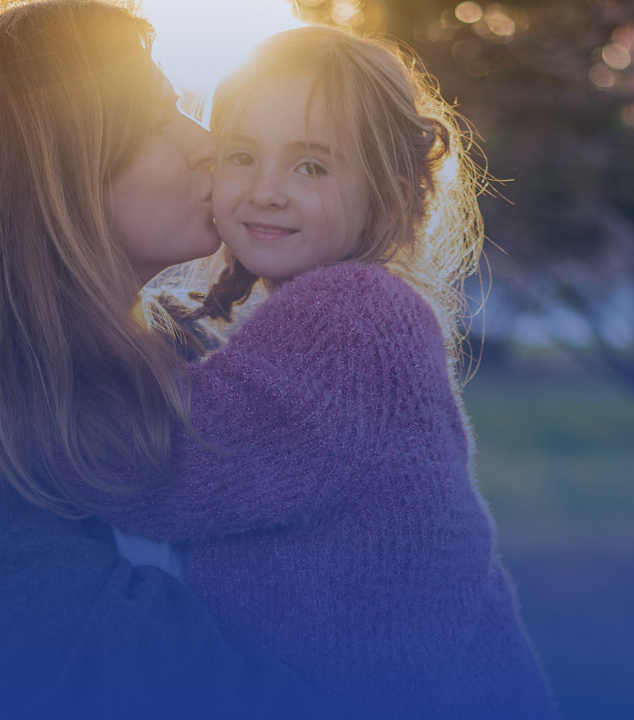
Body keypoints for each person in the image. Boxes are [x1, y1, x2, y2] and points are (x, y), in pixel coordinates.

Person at [0, 3, 339, 719]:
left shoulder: (183, 347)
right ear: (49, 175)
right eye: (159, 125)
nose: (207, 145)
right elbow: (97, 675)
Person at [52, 26, 558, 718]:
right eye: (241, 157)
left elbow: (164, 470)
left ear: (388, 192)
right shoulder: (337, 312)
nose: (266, 191)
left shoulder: (352, 317)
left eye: (311, 166)